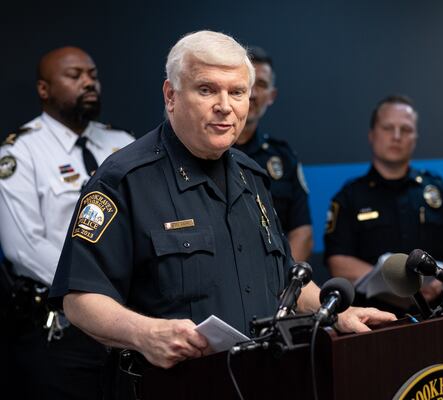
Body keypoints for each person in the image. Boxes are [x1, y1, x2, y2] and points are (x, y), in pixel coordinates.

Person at [49, 31, 395, 387]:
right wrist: (144, 332)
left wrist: (336, 313)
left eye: (237, 92)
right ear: (171, 95)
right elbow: (79, 298)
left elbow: (285, 281)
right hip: (169, 388)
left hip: (260, 382)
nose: (225, 105)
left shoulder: (253, 177)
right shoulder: (123, 180)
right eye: (206, 90)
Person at [0, 47, 135, 399]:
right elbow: (24, 247)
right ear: (44, 90)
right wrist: (97, 291)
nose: (89, 83)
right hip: (60, 329)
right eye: (75, 76)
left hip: (130, 324)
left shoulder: (123, 145)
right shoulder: (20, 153)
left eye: (92, 75)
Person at [324, 95, 443, 313]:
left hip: (439, 315)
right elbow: (338, 261)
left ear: (415, 137)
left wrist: (440, 283)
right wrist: (395, 285)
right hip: (375, 318)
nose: (396, 136)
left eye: (405, 129)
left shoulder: (441, 191)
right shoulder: (349, 198)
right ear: (372, 134)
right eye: (388, 128)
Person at [233, 46, 313, 262]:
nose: (253, 94)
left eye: (262, 85)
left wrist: (285, 287)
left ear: (272, 95)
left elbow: (302, 232)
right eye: (247, 84)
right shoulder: (208, 152)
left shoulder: (284, 158)